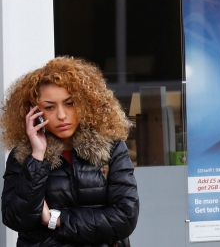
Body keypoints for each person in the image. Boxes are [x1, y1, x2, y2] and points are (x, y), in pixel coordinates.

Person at [1, 57, 139, 247]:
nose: (61, 115)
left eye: (70, 103)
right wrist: (38, 156)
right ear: (34, 112)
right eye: (49, 107)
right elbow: (16, 219)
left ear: (86, 103)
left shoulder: (111, 148)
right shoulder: (24, 156)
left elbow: (125, 218)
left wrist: (55, 219)